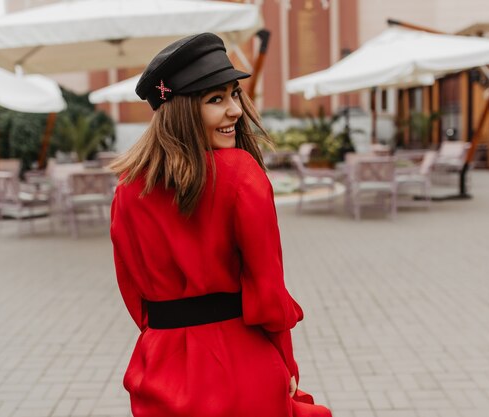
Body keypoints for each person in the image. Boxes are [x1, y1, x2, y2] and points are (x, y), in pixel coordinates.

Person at [110, 32, 331, 417]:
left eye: (234, 94)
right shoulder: (241, 175)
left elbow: (134, 295)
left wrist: (167, 339)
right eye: (216, 99)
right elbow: (268, 291)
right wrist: (287, 364)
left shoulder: (128, 189)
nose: (235, 111)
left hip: (158, 368)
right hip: (239, 366)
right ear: (181, 110)